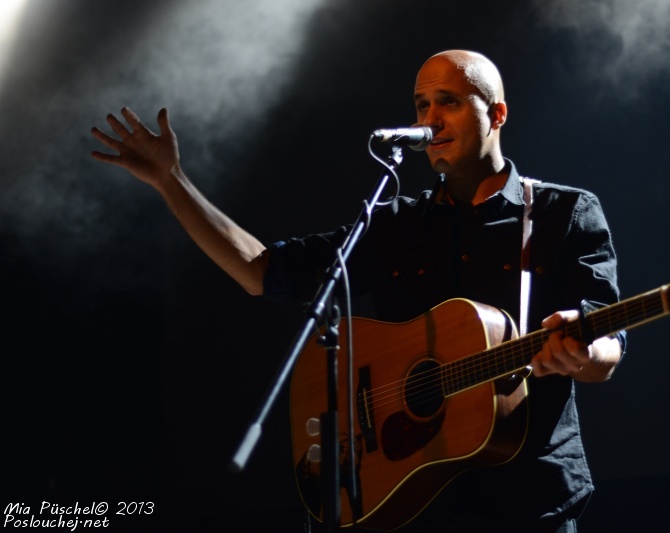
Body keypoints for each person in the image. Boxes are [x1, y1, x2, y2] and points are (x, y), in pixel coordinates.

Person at [91, 50, 625, 532]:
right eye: (420, 105)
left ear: (497, 115)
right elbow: (261, 270)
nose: (429, 119)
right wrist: (171, 182)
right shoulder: (394, 224)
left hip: (526, 504)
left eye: (449, 102)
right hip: (409, 505)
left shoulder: (562, 213)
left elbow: (608, 346)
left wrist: (582, 347)